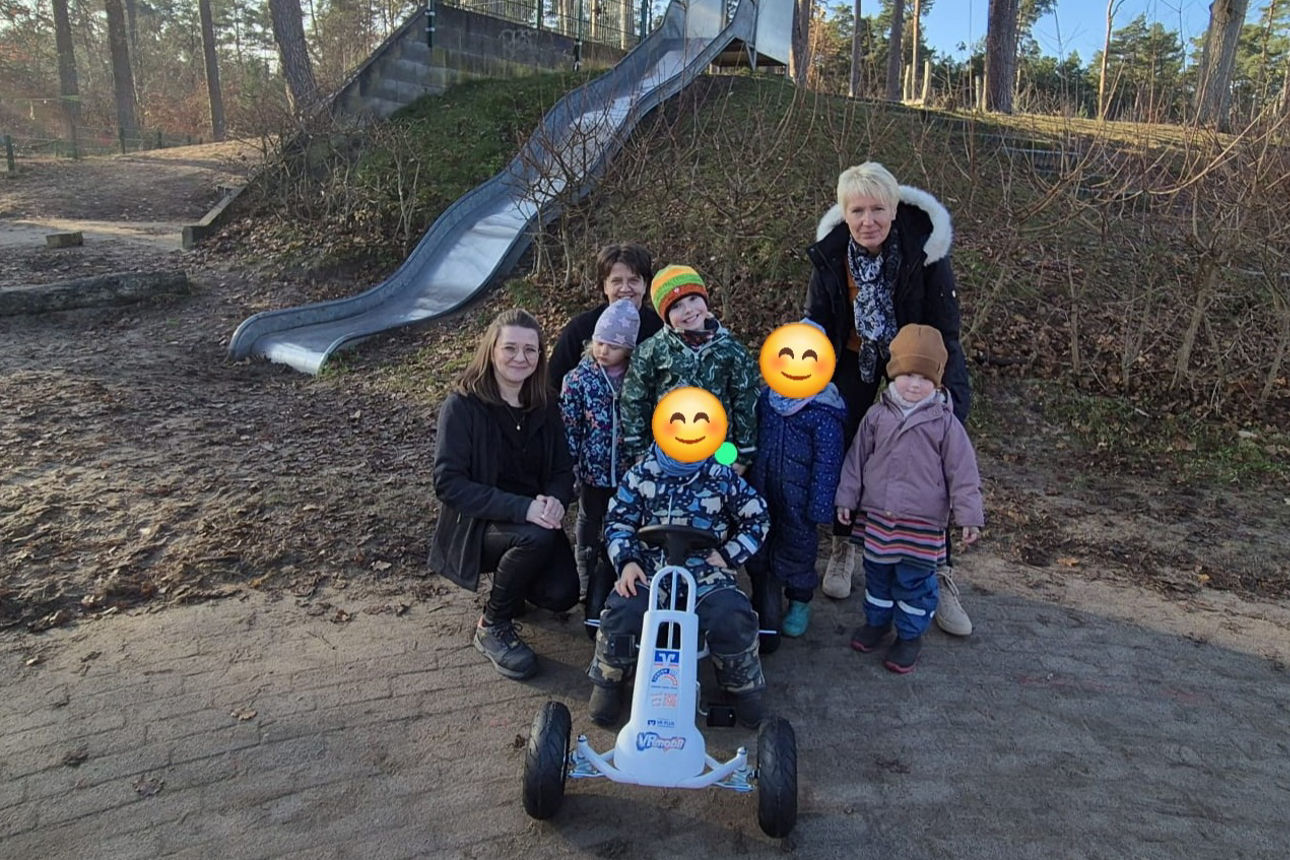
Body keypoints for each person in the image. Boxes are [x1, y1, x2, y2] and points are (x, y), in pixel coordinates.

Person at [805, 160, 974, 637]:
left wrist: (947, 395)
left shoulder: (925, 251)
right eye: (857, 210)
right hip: (853, 356)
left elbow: (946, 328)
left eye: (878, 208)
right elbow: (816, 320)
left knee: (930, 453)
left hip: (916, 354)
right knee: (841, 440)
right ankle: (844, 546)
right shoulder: (830, 255)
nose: (868, 220)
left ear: (894, 209)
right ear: (844, 214)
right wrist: (805, 383)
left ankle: (939, 568)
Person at [429, 309, 579, 681]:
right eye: (510, 348)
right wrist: (524, 507)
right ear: (491, 350)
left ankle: (513, 587)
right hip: (480, 527)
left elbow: (563, 469)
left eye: (530, 350)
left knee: (562, 595)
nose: (520, 358)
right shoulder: (462, 406)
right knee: (536, 536)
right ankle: (492, 624)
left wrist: (557, 499)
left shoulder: (546, 403)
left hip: (534, 520)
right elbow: (448, 483)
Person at [587, 440, 772, 728]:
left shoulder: (721, 475)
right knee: (623, 608)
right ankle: (610, 680)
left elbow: (758, 516)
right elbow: (617, 522)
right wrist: (627, 562)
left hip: (704, 571)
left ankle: (742, 684)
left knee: (731, 613)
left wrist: (729, 554)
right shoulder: (641, 474)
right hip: (649, 569)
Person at [834, 325, 983, 674]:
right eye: (907, 375)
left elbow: (963, 473)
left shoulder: (945, 423)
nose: (915, 385)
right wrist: (846, 498)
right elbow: (856, 461)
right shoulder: (876, 416)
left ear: (938, 383)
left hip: (922, 523)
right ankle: (877, 622)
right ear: (892, 375)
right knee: (878, 576)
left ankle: (910, 634)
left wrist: (969, 516)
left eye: (924, 378)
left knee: (914, 581)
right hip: (878, 518)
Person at [745, 329, 847, 640]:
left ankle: (800, 601)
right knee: (759, 544)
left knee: (798, 550)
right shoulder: (766, 400)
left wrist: (819, 506)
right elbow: (749, 437)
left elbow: (828, 465)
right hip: (761, 491)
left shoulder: (824, 412)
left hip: (800, 500)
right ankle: (762, 595)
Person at [620, 265, 760, 470]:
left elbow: (746, 398)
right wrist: (640, 452)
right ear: (665, 315)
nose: (688, 310)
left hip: (720, 452)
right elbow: (634, 399)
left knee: (717, 499)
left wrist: (743, 455)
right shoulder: (652, 350)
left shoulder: (731, 349)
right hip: (668, 454)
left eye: (693, 299)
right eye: (676, 306)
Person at [559, 298, 640, 598]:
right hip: (592, 470)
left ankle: (620, 568)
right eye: (599, 342)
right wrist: (572, 468)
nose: (604, 351)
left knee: (624, 519)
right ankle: (584, 567)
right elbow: (570, 426)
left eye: (613, 346)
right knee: (588, 519)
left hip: (628, 471)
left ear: (628, 349)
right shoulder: (578, 380)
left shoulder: (636, 380)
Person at [549, 243, 662, 389]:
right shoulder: (580, 329)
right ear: (604, 286)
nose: (625, 288)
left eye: (633, 280)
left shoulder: (660, 329)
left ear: (645, 285)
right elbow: (552, 384)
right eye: (616, 281)